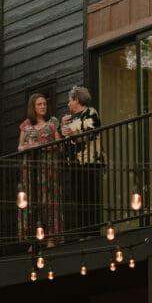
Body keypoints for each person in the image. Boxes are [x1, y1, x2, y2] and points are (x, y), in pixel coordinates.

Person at [17, 93, 63, 246]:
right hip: (30, 169)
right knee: (31, 201)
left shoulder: (52, 124)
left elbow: (58, 143)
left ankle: (51, 237)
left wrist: (44, 146)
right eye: (39, 104)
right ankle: (33, 241)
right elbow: (20, 147)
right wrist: (31, 146)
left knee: (49, 201)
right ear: (33, 107)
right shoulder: (26, 126)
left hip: (48, 167)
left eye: (44, 104)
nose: (43, 106)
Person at [60, 85, 102, 236]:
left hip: (89, 161)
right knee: (79, 198)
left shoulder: (90, 112)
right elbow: (66, 138)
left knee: (89, 197)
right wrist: (64, 125)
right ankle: (84, 232)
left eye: (70, 100)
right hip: (75, 164)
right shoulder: (72, 118)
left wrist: (73, 133)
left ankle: (92, 231)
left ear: (77, 100)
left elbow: (90, 132)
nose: (68, 103)